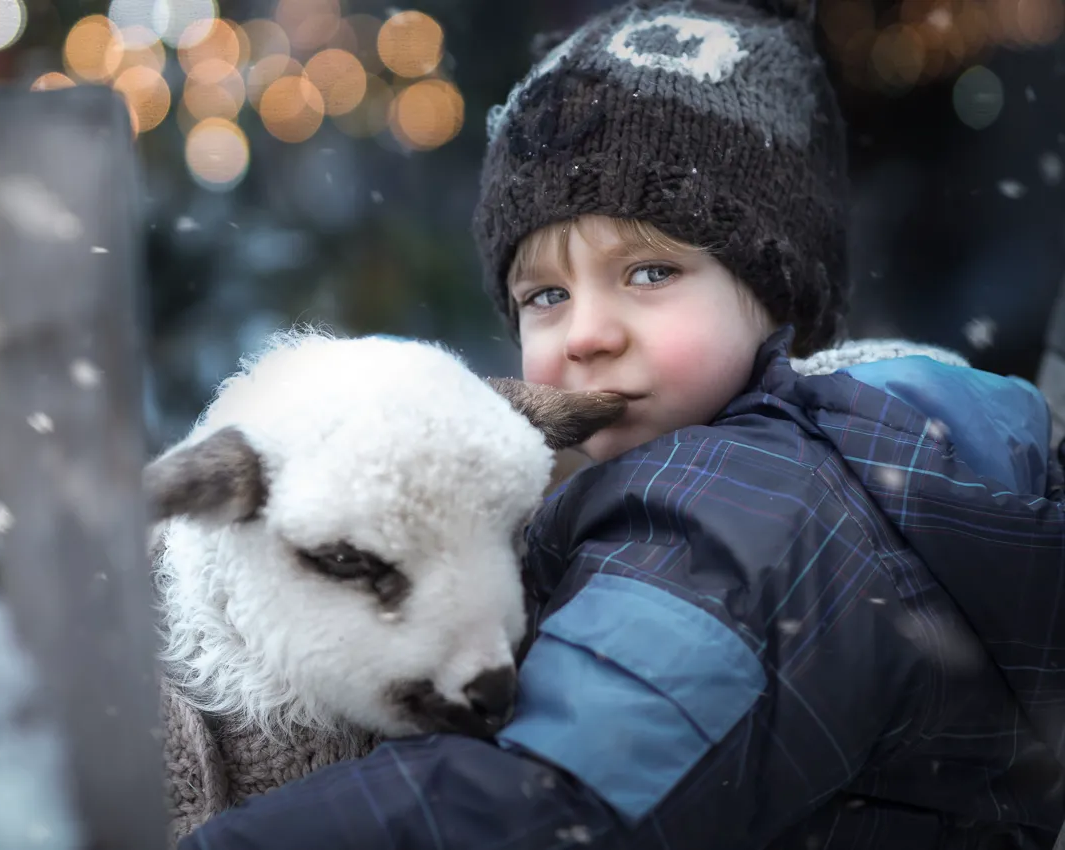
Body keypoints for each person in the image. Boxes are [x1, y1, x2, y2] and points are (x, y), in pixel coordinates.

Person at [177, 0, 1065, 846]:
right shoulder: (752, 483)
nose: (589, 335)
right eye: (547, 296)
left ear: (779, 296)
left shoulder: (763, 514)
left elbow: (542, 799)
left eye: (648, 274)